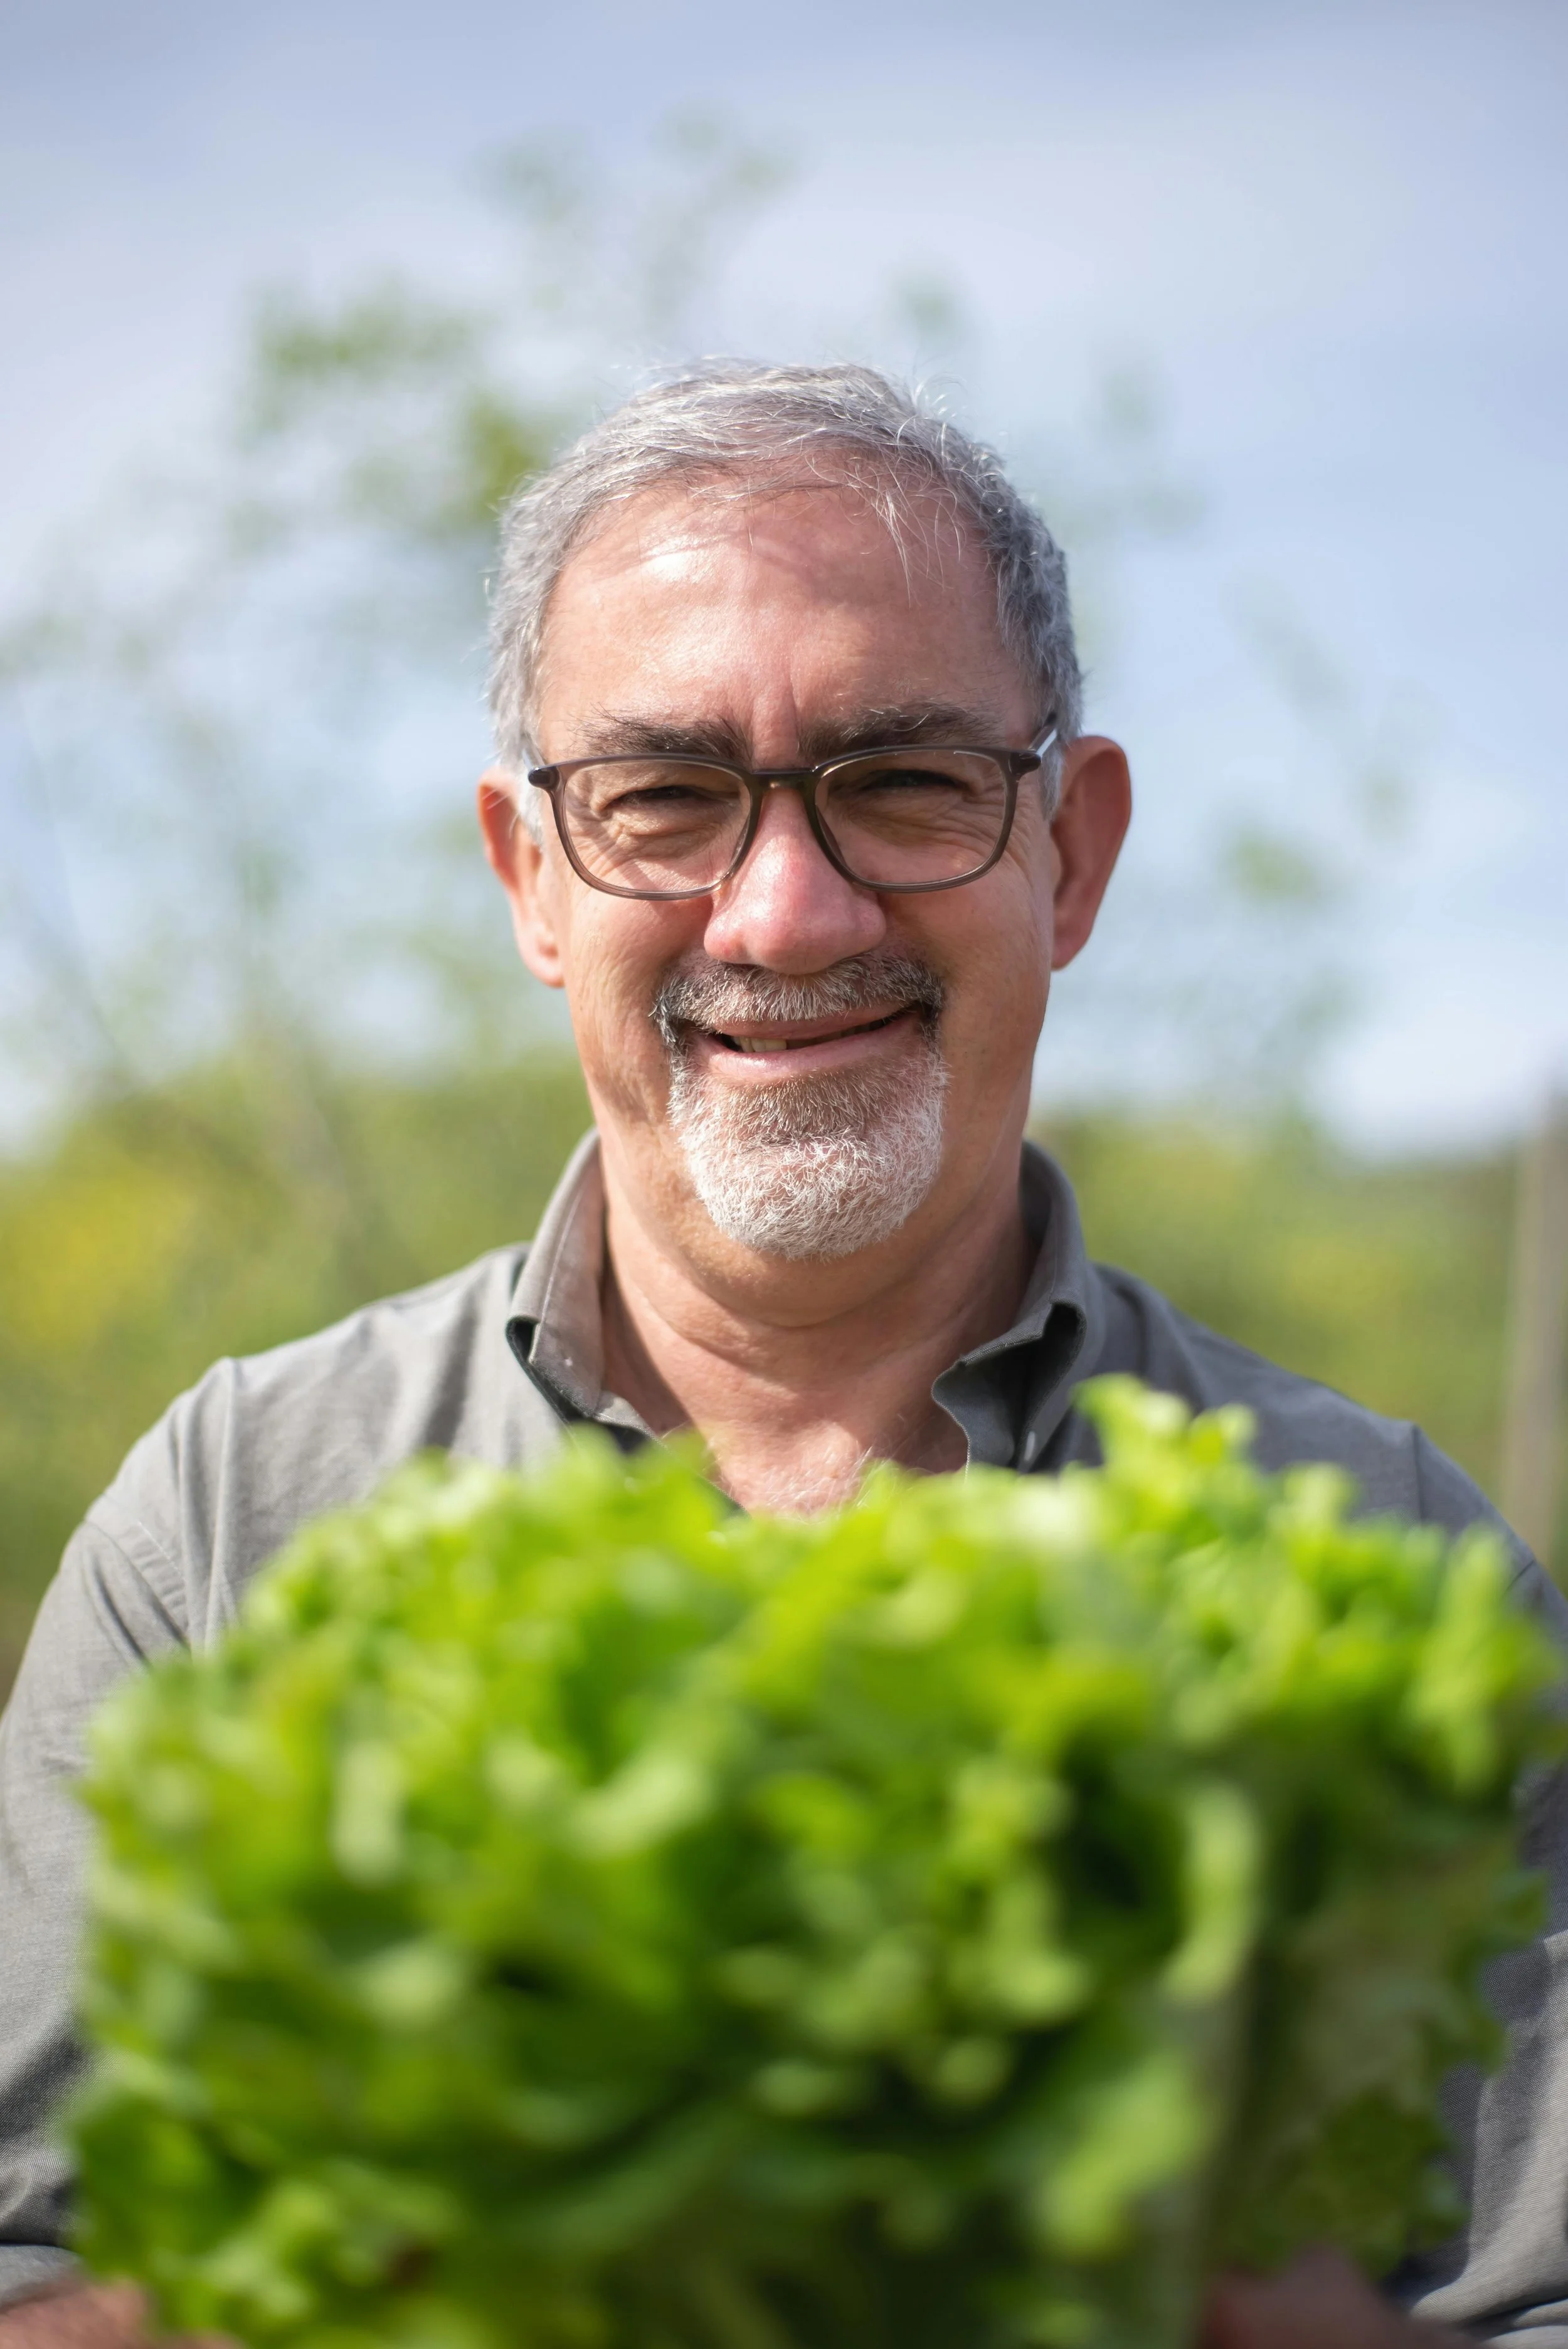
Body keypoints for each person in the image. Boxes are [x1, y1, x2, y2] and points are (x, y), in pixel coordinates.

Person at [0, 365, 1562, 2349]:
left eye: (903, 779)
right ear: (531, 879)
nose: (783, 906)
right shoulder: (233, 1520)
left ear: (1067, 853)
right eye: (660, 798)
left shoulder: (1388, 1554)